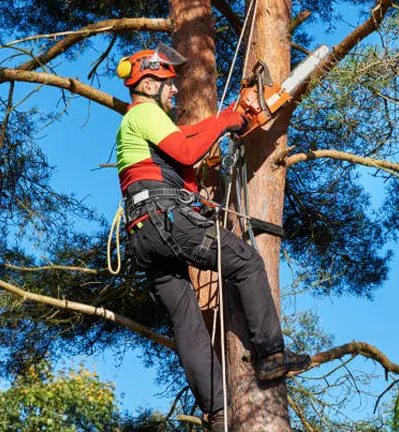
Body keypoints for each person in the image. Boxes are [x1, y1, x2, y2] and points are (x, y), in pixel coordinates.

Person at [115, 43, 311, 431]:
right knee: (246, 262)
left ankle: (218, 412)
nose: (174, 91)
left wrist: (227, 123)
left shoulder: (142, 128)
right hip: (163, 221)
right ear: (150, 83)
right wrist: (226, 119)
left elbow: (183, 147)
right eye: (169, 84)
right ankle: (271, 356)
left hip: (143, 235)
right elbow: (187, 150)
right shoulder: (145, 114)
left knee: (186, 320)